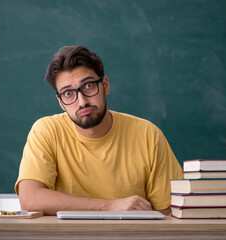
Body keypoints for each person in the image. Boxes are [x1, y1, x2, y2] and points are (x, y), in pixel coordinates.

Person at [15, 45, 183, 215]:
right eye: (68, 94)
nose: (81, 102)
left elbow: (171, 213)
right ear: (60, 102)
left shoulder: (148, 135)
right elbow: (30, 199)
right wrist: (109, 207)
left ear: (105, 85)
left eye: (88, 86)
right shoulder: (46, 131)